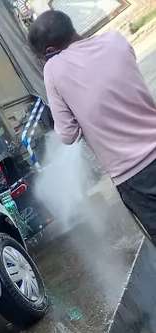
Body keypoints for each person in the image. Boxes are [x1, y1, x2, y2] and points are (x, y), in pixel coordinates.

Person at [29, 10, 156, 241]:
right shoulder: (115, 39)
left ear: (49, 51)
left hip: (132, 175)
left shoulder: (53, 70)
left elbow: (67, 135)